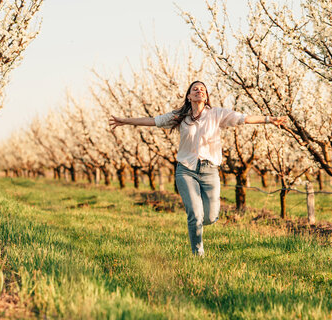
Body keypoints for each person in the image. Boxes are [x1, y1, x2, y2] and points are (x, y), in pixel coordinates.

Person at [110, 81, 285, 256]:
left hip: (210, 170)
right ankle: (198, 253)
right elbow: (153, 121)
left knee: (209, 217)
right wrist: (124, 121)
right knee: (195, 213)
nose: (199, 91)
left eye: (202, 89)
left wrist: (269, 120)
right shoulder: (180, 116)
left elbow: (243, 118)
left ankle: (201, 223)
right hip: (186, 170)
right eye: (195, 89)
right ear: (189, 96)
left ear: (206, 96)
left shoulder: (217, 114)